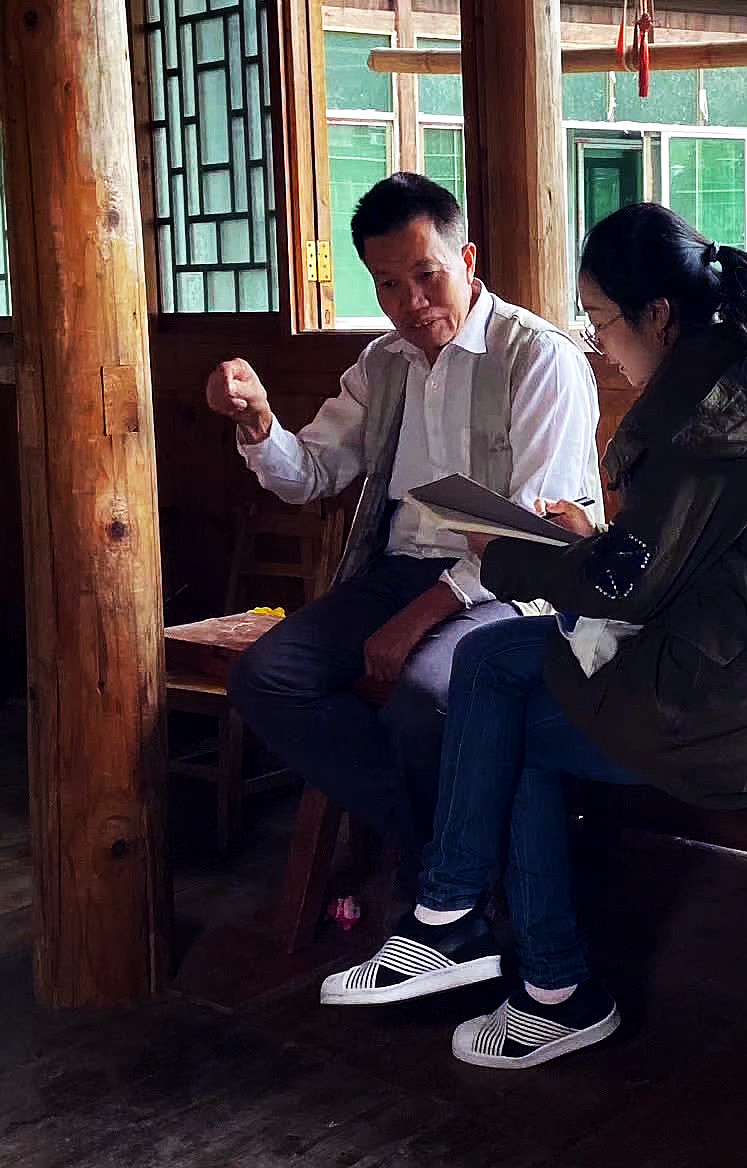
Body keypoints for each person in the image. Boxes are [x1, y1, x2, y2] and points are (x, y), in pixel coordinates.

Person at [321, 201, 747, 1069]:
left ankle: (513, 961)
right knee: (492, 660)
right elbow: (672, 559)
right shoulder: (737, 385)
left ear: (659, 315)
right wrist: (588, 540)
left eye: (602, 320)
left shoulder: (714, 420)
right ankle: (471, 934)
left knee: (505, 717)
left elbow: (630, 584)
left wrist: (507, 552)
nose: (598, 342)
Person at [205, 172, 602, 890]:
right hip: (396, 572)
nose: (410, 303)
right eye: (388, 285)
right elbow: (311, 474)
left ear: (467, 260)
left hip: (512, 589)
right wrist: (259, 422)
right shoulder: (382, 364)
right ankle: (446, 857)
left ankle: (447, 874)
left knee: (426, 695)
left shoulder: (539, 357)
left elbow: (533, 537)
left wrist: (416, 620)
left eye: (427, 276)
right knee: (267, 678)